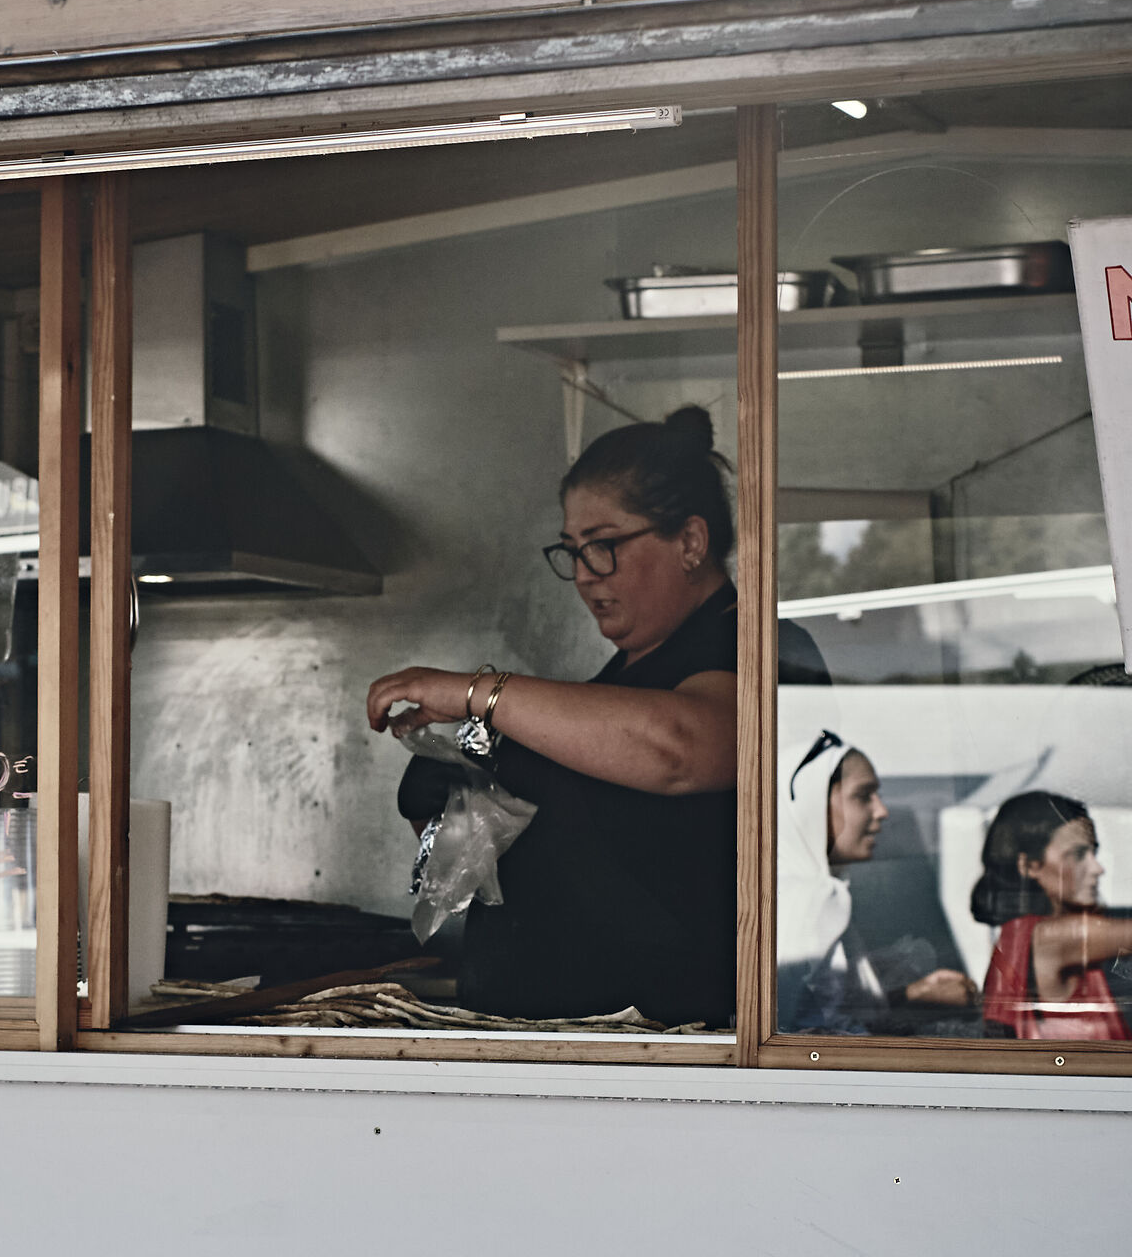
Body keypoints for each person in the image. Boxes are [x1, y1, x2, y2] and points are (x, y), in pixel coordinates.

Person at [366, 407, 758, 1024]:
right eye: (572, 550)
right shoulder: (611, 684)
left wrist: (479, 692)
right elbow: (509, 872)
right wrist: (449, 815)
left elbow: (684, 748)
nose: (582, 575)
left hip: (666, 1052)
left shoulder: (746, 645)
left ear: (690, 541)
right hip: (549, 1042)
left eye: (604, 547)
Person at [778, 730, 973, 1031]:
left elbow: (831, 1012)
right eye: (863, 796)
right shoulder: (807, 904)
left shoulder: (811, 895)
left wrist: (915, 995)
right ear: (811, 806)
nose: (882, 811)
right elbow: (818, 1040)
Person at [974, 792, 1132, 1041]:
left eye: (1094, 853)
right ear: (1030, 866)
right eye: (1079, 855)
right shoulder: (1051, 937)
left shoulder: (1018, 934)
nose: (1097, 868)